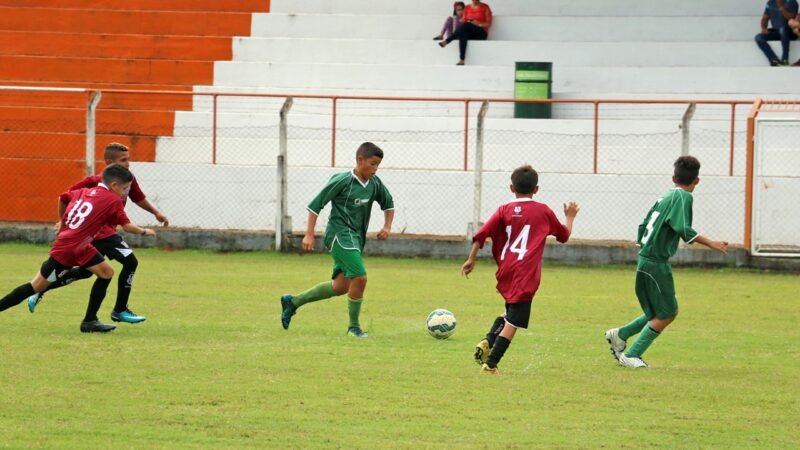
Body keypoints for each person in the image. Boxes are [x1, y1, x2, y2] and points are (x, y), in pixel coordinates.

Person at [604, 156, 728, 368]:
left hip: (646, 258)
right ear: (697, 181)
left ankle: (620, 334)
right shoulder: (684, 198)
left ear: (673, 177)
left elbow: (643, 224)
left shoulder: (666, 196)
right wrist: (712, 243)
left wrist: (645, 248)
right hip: (656, 262)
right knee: (668, 313)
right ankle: (632, 354)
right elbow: (684, 229)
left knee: (657, 313)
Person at [0, 165, 156, 332]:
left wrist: (63, 223)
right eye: (124, 188)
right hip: (70, 248)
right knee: (35, 286)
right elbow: (127, 227)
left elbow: (63, 198)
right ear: (113, 185)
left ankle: (90, 321)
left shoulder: (83, 192)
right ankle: (89, 320)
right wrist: (145, 231)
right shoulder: (112, 200)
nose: (124, 193)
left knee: (106, 273)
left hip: (80, 245)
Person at [27, 142, 169, 324]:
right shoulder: (95, 181)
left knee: (85, 272)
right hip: (101, 232)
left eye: (129, 159)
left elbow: (138, 198)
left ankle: (40, 290)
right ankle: (119, 310)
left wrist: (156, 213)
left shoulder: (127, 179)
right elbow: (68, 197)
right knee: (130, 261)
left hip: (101, 232)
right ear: (109, 162)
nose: (128, 164)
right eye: (123, 160)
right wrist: (65, 220)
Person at [461, 165, 579, 374]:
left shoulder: (503, 210)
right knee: (515, 321)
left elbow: (481, 234)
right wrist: (570, 216)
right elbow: (564, 236)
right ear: (536, 189)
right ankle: (492, 363)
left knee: (510, 311)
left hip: (506, 268)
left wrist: (471, 259)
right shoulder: (543, 210)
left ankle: (488, 340)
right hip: (525, 272)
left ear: (511, 187)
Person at [280, 142, 394, 338]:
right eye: (373, 164)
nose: (375, 169)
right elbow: (316, 205)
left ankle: (293, 301)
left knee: (342, 287)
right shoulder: (342, 180)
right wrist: (309, 234)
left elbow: (389, 204)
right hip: (339, 235)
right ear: (360, 160)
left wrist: (387, 226)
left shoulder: (375, 183)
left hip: (356, 239)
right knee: (360, 276)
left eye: (378, 165)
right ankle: (354, 327)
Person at [438, 0, 492, 65]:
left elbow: (488, 24)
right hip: (469, 32)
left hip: (481, 33)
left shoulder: (485, 7)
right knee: (463, 33)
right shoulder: (467, 7)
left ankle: (447, 41)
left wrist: (478, 24)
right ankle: (462, 60)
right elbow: (463, 22)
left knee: (466, 26)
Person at [755, 0, 799, 66]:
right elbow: (765, 18)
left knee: (783, 29)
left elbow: (791, 18)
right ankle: (774, 60)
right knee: (758, 37)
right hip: (777, 31)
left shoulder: (792, 2)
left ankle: (785, 59)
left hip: (790, 32)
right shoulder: (770, 3)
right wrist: (764, 28)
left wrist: (781, 6)